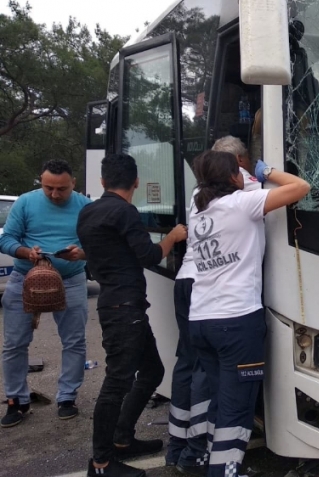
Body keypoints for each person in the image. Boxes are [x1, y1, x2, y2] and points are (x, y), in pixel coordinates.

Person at [188, 152, 309, 477]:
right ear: (232, 178)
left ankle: (217, 465)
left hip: (201, 320)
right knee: (237, 408)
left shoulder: (200, 211)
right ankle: (224, 473)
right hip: (236, 323)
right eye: (240, 172)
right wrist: (266, 170)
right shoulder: (242, 203)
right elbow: (301, 187)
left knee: (220, 400)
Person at [78, 153, 189, 477]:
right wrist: (173, 236)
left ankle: (123, 437)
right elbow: (149, 255)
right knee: (116, 384)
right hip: (124, 310)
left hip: (120, 306)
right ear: (136, 182)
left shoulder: (88, 212)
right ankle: (101, 463)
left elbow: (106, 249)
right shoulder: (125, 211)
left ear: (102, 182)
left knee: (152, 372)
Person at [0, 160, 90, 427]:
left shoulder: (85, 206)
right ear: (41, 180)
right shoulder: (26, 202)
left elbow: (96, 242)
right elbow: (6, 239)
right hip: (25, 278)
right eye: (48, 187)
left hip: (71, 278)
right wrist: (27, 252)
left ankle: (67, 398)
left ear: (73, 183)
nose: (54, 194)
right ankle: (17, 400)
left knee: (74, 342)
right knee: (14, 343)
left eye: (61, 189)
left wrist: (81, 253)